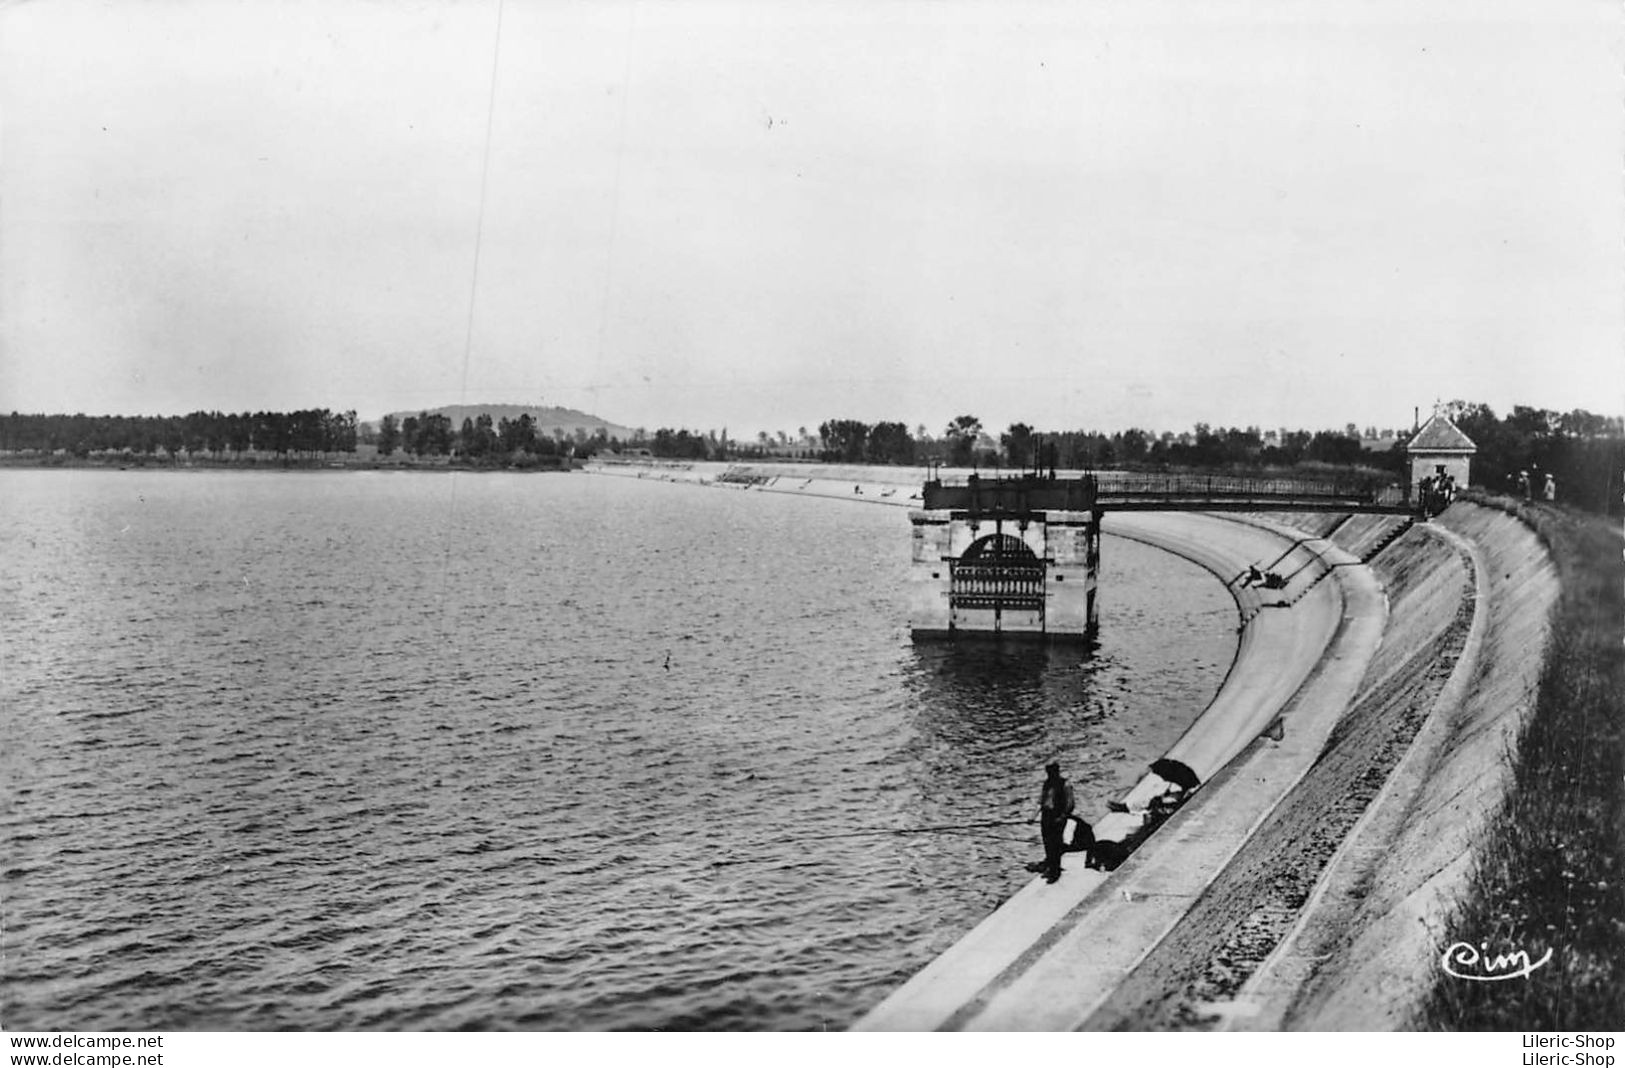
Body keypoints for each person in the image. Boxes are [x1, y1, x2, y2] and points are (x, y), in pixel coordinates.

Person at [1038, 762, 1075, 883]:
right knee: (1047, 843)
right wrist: (1032, 817)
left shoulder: (1065, 784)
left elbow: (1070, 803)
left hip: (1058, 816)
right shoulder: (1047, 784)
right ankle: (1050, 867)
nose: (1049, 775)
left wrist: (1063, 816)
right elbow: (1042, 801)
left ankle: (1055, 872)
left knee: (1056, 843)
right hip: (1046, 816)